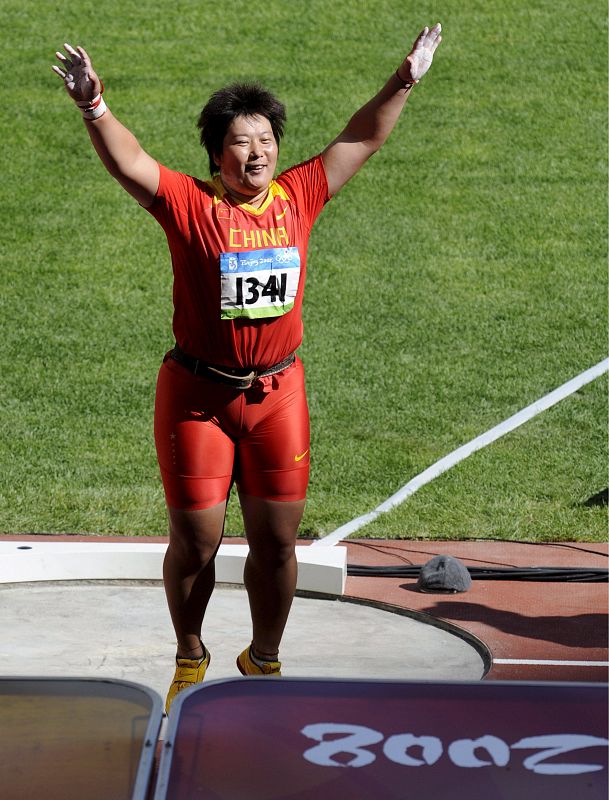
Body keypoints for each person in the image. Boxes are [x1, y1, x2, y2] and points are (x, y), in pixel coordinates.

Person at [52, 23, 442, 712]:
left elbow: (361, 138)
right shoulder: (189, 205)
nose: (257, 151)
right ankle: (190, 654)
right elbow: (131, 163)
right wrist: (94, 106)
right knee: (197, 542)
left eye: (265, 140)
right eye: (241, 141)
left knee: (277, 544)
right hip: (196, 397)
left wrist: (403, 78)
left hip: (277, 396)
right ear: (216, 153)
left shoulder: (299, 196)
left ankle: (263, 659)